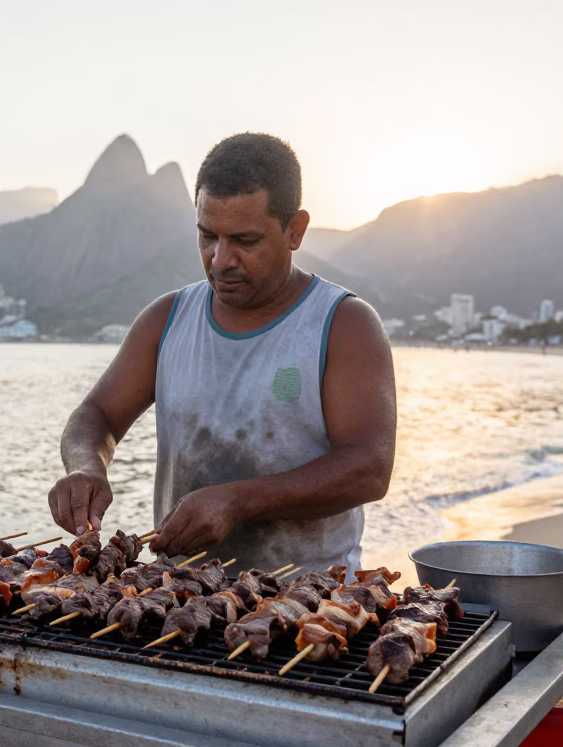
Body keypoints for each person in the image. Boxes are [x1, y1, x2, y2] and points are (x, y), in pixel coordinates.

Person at [46, 133, 397, 573]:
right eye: (207, 236)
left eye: (244, 240)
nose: (220, 259)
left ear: (295, 230)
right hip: (180, 597)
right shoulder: (166, 320)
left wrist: (239, 500)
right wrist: (86, 467)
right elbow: (97, 414)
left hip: (309, 604)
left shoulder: (344, 325)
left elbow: (369, 467)